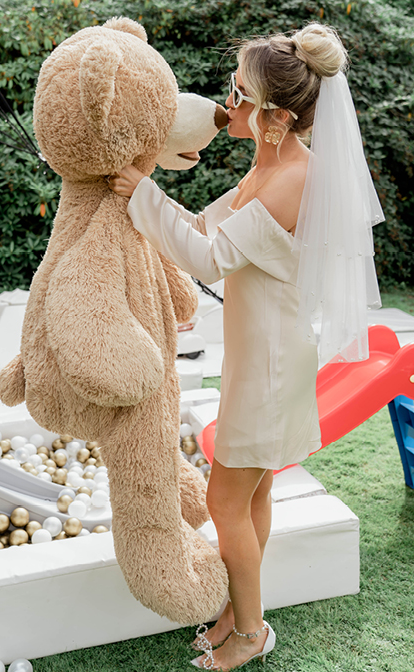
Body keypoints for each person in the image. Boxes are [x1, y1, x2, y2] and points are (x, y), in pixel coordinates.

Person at [108, 23, 382, 671]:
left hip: (269, 367)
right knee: (250, 496)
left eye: (239, 94)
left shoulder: (292, 181)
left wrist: (141, 197)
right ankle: (239, 609)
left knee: (223, 500)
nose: (226, 104)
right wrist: (144, 190)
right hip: (258, 360)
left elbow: (206, 258)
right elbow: (201, 225)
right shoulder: (268, 166)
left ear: (276, 118)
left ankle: (250, 633)